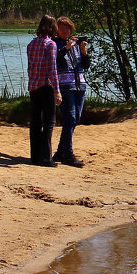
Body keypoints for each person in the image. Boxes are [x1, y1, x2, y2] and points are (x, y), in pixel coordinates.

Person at [54, 16, 90, 167]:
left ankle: (60, 152)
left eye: (67, 28)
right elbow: (55, 60)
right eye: (62, 28)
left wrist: (83, 51)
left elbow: (86, 65)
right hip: (65, 85)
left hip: (79, 85)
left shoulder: (75, 44)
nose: (65, 30)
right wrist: (67, 47)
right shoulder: (55, 44)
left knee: (75, 119)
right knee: (70, 118)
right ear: (57, 29)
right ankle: (67, 154)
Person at [27, 15, 62, 167]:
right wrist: (57, 91)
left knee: (35, 121)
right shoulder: (51, 45)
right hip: (46, 87)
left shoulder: (31, 43)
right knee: (49, 122)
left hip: (33, 86)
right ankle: (46, 158)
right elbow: (52, 70)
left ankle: (35, 156)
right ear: (52, 27)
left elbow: (30, 67)